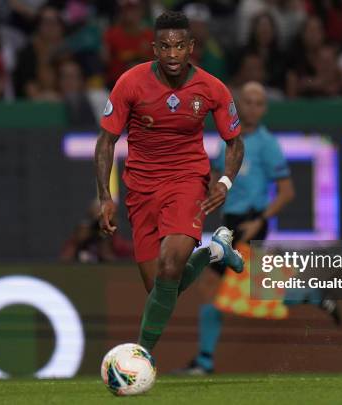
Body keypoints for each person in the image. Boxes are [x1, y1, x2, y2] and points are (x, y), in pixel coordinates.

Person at [94, 11, 245, 354]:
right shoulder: (130, 83)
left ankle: (141, 354)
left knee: (170, 263)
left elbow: (235, 142)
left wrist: (224, 181)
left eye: (179, 46)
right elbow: (106, 141)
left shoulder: (211, 88)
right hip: (141, 189)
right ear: (154, 49)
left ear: (191, 47)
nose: (173, 54)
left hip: (187, 181)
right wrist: (105, 196)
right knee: (161, 287)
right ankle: (215, 251)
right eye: (165, 47)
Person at [178, 81, 341, 375]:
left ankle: (204, 361)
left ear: (264, 109)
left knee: (216, 286)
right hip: (230, 222)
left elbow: (287, 191)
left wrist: (260, 220)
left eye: (258, 102)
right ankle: (311, 296)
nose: (252, 107)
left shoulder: (267, 144)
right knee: (253, 287)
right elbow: (215, 176)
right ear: (238, 103)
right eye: (247, 101)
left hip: (250, 222)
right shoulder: (228, 140)